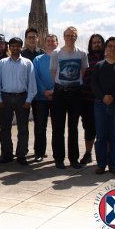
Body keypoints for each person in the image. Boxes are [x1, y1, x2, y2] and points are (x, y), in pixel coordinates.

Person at [0, 37, 37, 165]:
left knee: (23, 128)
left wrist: (29, 99)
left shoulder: (28, 63)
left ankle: (21, 154)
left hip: (22, 98)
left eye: (18, 46)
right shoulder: (2, 62)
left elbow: (32, 84)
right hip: (5, 98)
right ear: (9, 47)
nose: (15, 48)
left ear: (21, 47)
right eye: (12, 46)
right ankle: (7, 154)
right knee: (5, 128)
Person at [91, 37, 115, 175]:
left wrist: (112, 97)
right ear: (106, 49)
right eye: (110, 46)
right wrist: (103, 97)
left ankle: (113, 164)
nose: (112, 49)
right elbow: (94, 84)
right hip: (100, 105)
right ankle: (101, 164)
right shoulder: (99, 66)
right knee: (101, 136)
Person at [50, 26, 88, 169]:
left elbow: (83, 71)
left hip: (75, 93)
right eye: (67, 35)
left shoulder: (82, 53)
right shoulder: (56, 53)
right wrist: (62, 85)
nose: (70, 38)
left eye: (73, 35)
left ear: (76, 37)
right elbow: (53, 72)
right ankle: (59, 159)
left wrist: (73, 84)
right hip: (60, 93)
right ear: (64, 37)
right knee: (58, 128)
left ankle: (73, 159)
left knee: (73, 128)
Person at [79, 34, 105, 165]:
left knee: (104, 129)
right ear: (90, 44)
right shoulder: (86, 58)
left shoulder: (108, 58)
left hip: (104, 101)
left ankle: (104, 156)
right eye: (94, 42)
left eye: (99, 42)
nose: (96, 44)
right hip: (87, 99)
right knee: (89, 129)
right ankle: (88, 153)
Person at [32, 34, 58, 162]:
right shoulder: (37, 59)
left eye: (53, 41)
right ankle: (39, 152)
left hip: (57, 97)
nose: (50, 43)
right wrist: (44, 91)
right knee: (40, 127)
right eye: (48, 41)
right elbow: (35, 76)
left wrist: (53, 91)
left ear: (57, 43)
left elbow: (62, 76)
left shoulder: (60, 58)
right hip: (40, 98)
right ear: (45, 43)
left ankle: (57, 154)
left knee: (57, 127)